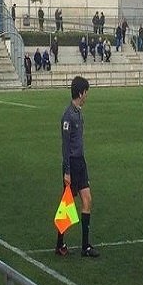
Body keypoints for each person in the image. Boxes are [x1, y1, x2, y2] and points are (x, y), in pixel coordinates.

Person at [56, 76, 98, 258]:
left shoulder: (79, 113)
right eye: (86, 92)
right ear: (80, 93)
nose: (87, 96)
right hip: (72, 164)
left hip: (81, 162)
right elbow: (65, 147)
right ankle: (60, 243)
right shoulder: (68, 116)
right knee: (67, 205)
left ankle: (85, 246)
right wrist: (67, 171)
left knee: (87, 199)